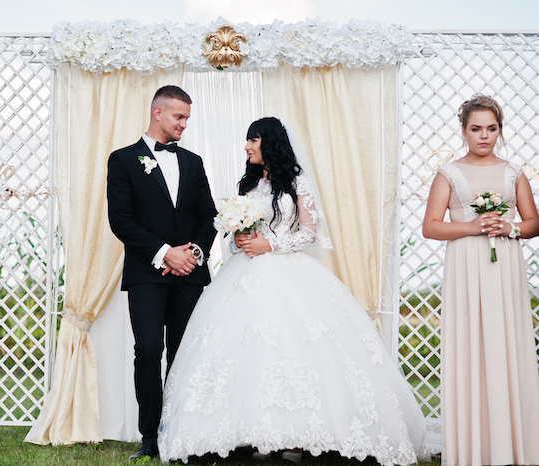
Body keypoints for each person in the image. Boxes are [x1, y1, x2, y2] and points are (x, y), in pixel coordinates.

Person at [157, 117, 430, 464]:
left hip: (288, 271)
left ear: (268, 142)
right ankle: (258, 432)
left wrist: (270, 245)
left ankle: (297, 438)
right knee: (249, 353)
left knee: (294, 348)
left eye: (252, 140)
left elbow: (310, 231)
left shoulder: (296, 182)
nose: (246, 147)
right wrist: (241, 240)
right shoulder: (250, 185)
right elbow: (239, 237)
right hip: (244, 275)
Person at [422, 94, 539, 465]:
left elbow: (533, 222)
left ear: (499, 131)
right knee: (470, 345)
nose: (484, 136)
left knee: (507, 344)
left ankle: (513, 446)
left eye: (491, 128)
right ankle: (473, 447)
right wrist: (471, 226)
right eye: (476, 129)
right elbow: (430, 227)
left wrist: (511, 228)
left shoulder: (513, 172)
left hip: (504, 264)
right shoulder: (449, 173)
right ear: (464, 131)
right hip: (466, 266)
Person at [106, 86, 218, 459]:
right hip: (147, 275)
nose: (184, 124)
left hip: (190, 275)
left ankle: (183, 431)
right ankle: (150, 436)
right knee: (149, 349)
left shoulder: (193, 161)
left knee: (184, 353)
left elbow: (208, 217)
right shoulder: (122, 160)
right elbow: (121, 221)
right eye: (179, 117)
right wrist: (164, 254)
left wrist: (194, 253)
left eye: (186, 118)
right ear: (158, 113)